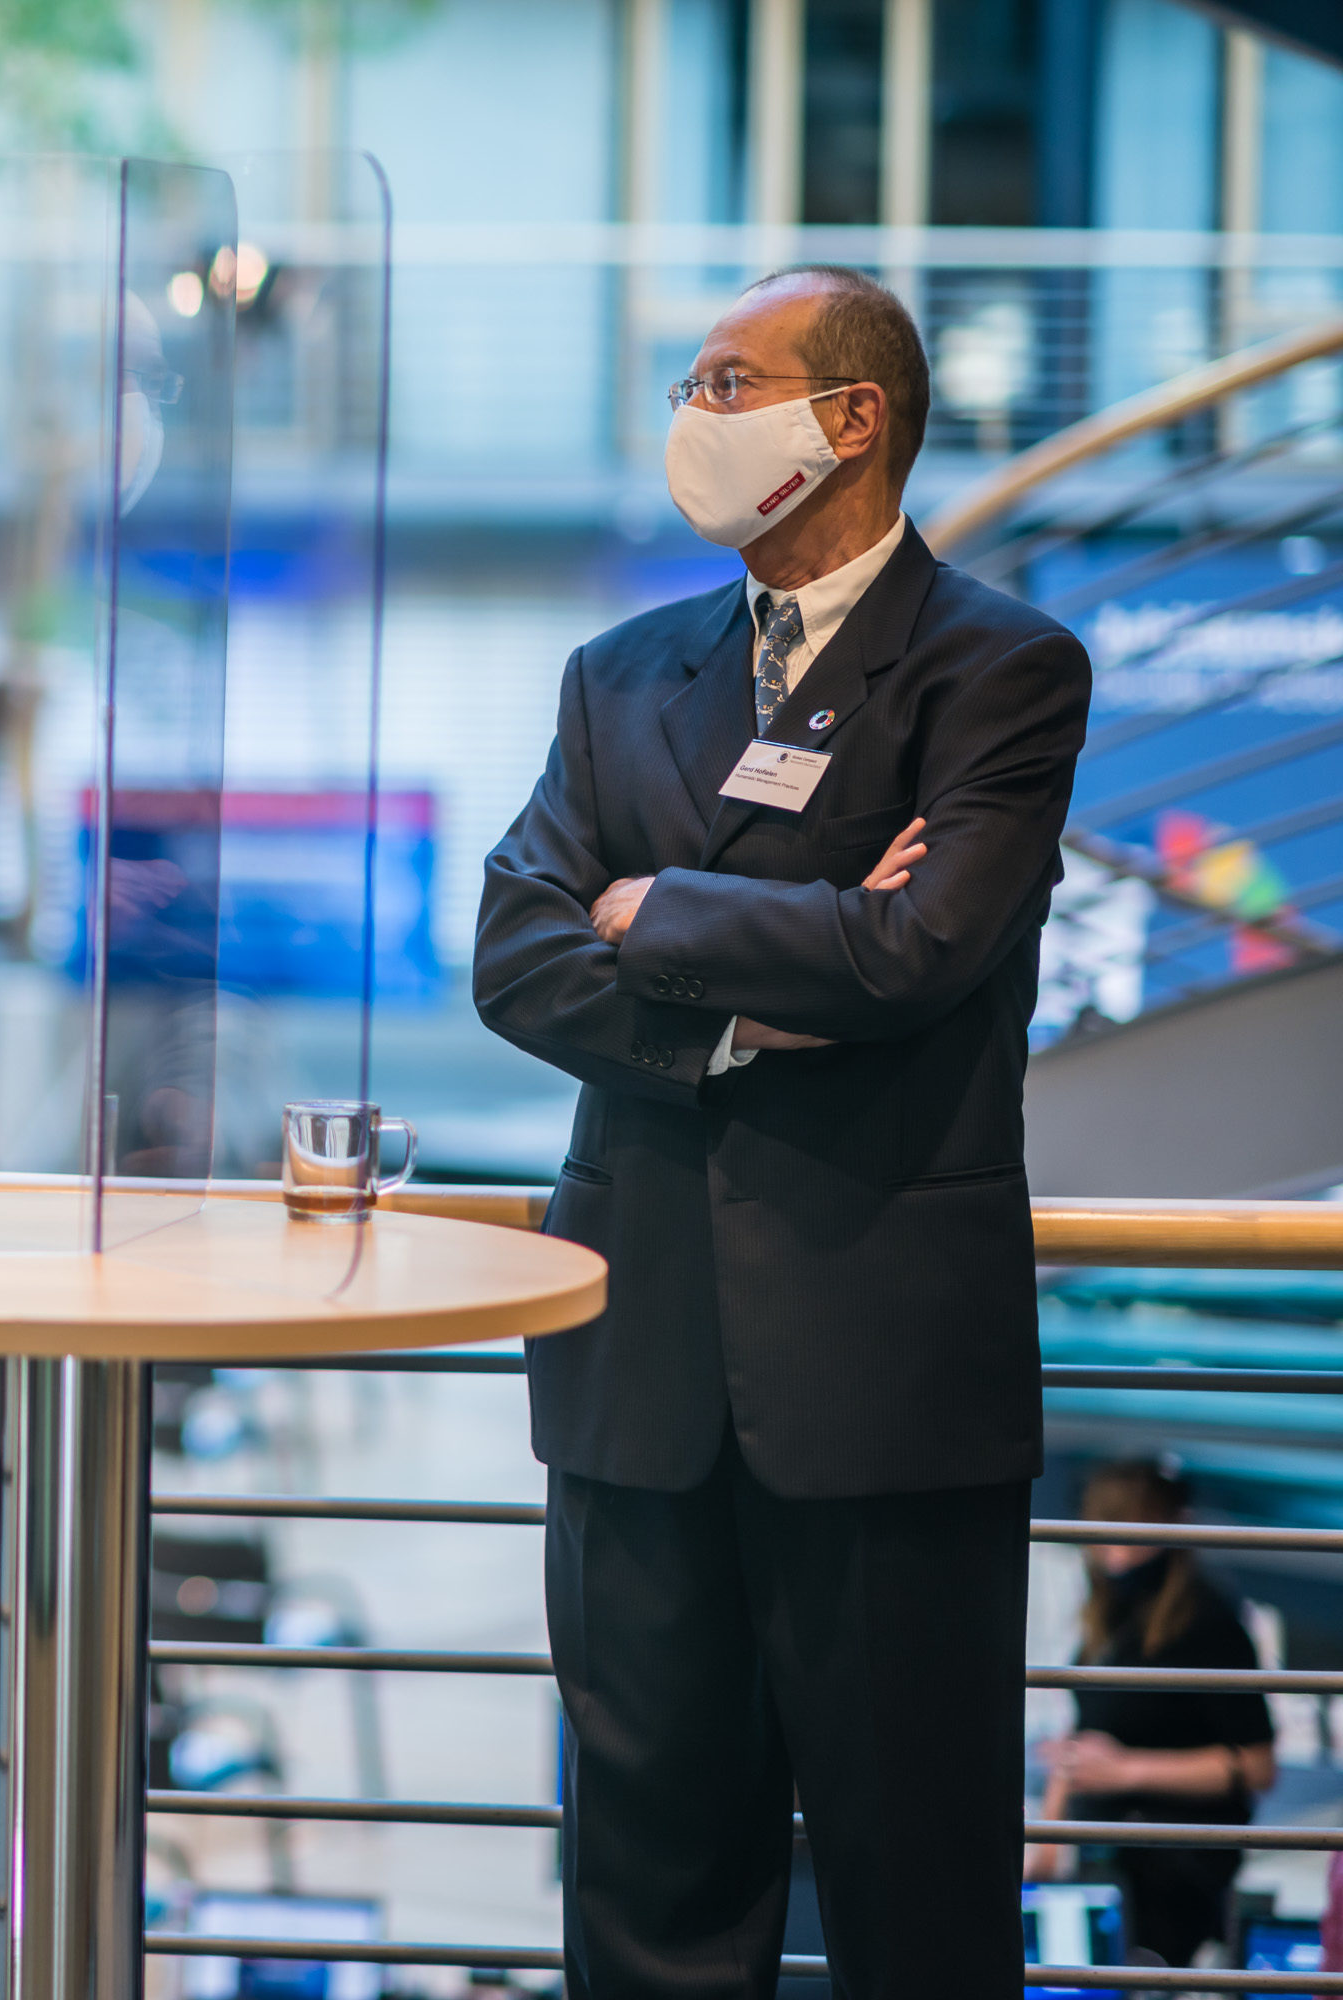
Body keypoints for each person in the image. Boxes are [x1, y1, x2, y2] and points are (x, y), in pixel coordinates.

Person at [474, 264, 1093, 1994]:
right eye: (691, 383)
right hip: (637, 1373)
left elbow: (920, 951)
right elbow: (514, 957)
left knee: (921, 1900)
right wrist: (760, 994)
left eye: (727, 381)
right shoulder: (619, 674)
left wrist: (646, 911)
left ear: (853, 419)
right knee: (645, 1890)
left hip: (884, 1383)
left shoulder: (1003, 668)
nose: (694, 415)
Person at [1028, 1459, 1277, 1970]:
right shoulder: (1110, 1619)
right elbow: (1086, 1736)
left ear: (1171, 1527)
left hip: (1173, 1875)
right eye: (1106, 1529)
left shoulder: (1209, 1623)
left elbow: (1256, 1766)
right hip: (1103, 1865)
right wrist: (1048, 1846)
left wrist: (1127, 1769)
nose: (1117, 1552)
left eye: (1133, 1527)